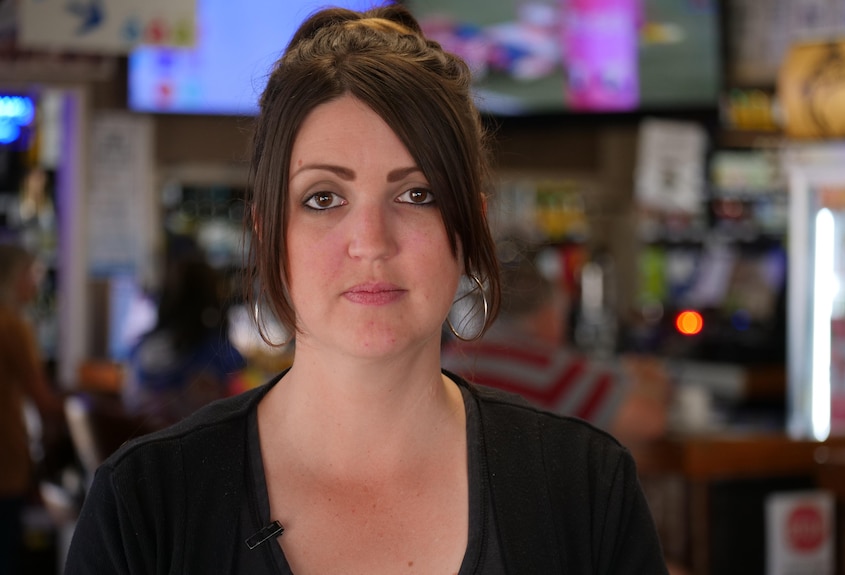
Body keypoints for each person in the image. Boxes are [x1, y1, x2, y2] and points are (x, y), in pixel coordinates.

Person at [65, 4, 669, 574]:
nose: (371, 241)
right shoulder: (143, 506)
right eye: (324, 198)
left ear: (470, 225)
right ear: (270, 231)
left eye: (417, 194)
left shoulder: (587, 489)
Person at [442, 239, 670, 446]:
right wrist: (650, 381)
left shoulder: (452, 358)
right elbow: (648, 423)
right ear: (548, 314)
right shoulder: (549, 371)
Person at [123, 244, 247, 427]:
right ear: (210, 297)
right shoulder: (216, 353)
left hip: (143, 448)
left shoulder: (140, 349)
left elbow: (130, 401)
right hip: (197, 448)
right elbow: (242, 403)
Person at [0, 243, 64, 574]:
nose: (36, 283)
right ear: (14, 277)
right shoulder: (13, 326)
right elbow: (43, 400)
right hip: (6, 459)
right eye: (31, 274)